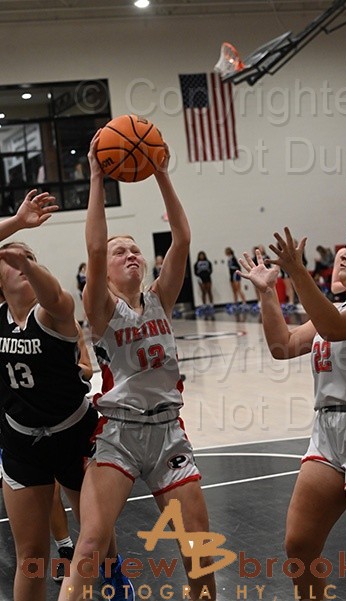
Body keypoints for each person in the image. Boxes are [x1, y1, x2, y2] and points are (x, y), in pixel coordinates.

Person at [58, 131, 216, 601]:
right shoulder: (101, 308)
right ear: (102, 271)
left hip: (169, 433)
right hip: (118, 434)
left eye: (135, 250)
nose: (130, 255)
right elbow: (93, 248)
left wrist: (163, 174)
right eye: (119, 252)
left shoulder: (160, 301)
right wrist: (95, 180)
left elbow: (183, 237)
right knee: (89, 546)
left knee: (199, 553)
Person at [239, 226, 346, 601]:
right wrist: (266, 293)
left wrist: (297, 272)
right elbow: (283, 345)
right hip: (327, 429)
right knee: (300, 546)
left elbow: (334, 328)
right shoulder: (338, 307)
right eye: (345, 246)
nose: (344, 253)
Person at [0, 189, 100, 601]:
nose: (25, 264)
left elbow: (58, 296)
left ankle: (115, 589)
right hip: (22, 440)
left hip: (74, 434)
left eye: (32, 260)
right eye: (11, 261)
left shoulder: (53, 312)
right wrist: (18, 223)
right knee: (31, 557)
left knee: (98, 546)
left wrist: (23, 259)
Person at [51, 322, 94, 583]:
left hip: (72, 421)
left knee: (86, 505)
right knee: (49, 491)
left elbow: (88, 369)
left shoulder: (68, 324)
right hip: (33, 426)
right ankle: (65, 549)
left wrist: (66, 370)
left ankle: (108, 562)